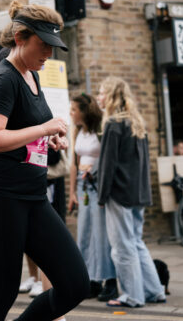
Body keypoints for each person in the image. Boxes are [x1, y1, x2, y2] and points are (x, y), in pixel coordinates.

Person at [0, 0, 89, 320]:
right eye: (44, 44)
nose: (49, 53)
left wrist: (48, 139)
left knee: (76, 284)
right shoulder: (3, 77)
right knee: (1, 297)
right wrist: (42, 128)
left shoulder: (32, 75)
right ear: (21, 37)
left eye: (54, 47)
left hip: (33, 196)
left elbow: (21, 128)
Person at [96, 76, 166, 308]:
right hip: (138, 193)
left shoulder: (113, 125)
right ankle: (155, 291)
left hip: (119, 193)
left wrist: (102, 195)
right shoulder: (137, 123)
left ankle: (133, 296)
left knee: (122, 247)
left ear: (112, 96)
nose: (99, 97)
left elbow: (107, 166)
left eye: (102, 93)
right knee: (136, 242)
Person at [66, 93, 117, 302]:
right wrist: (71, 192)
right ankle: (92, 280)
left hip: (98, 186)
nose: (71, 113)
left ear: (84, 111)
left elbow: (108, 160)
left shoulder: (101, 130)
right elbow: (74, 164)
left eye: (74, 109)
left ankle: (110, 280)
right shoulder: (78, 131)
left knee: (102, 235)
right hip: (83, 187)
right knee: (85, 234)